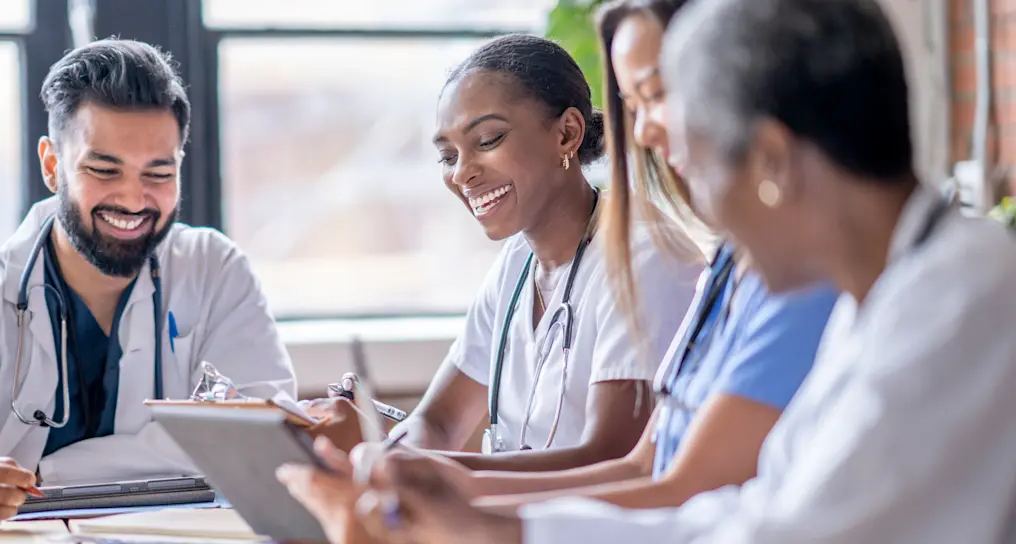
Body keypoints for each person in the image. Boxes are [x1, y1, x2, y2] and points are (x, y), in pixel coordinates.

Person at [291, 0, 1016, 541]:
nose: (709, 231)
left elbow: (791, 530)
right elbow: (744, 511)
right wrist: (487, 519)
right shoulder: (885, 296)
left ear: (770, 162)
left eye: (697, 164)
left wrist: (494, 528)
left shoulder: (962, 301)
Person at [0, 39, 296, 531]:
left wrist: (47, 473)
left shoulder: (216, 273)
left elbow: (269, 451)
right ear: (52, 165)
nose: (134, 199)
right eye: (103, 170)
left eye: (159, 172)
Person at [429, 0, 839, 511]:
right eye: (633, 105)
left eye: (659, 95)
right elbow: (646, 465)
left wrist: (453, 495)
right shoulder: (738, 268)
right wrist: (425, 479)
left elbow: (663, 478)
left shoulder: (801, 280)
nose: (642, 132)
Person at [309, 33, 701, 473]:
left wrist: (431, 473)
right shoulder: (517, 265)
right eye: (447, 155)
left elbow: (611, 459)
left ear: (567, 134)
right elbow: (437, 425)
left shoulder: (646, 257)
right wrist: (384, 452)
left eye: (489, 139)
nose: (463, 173)